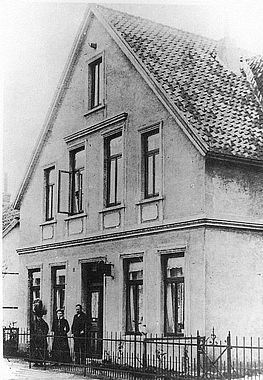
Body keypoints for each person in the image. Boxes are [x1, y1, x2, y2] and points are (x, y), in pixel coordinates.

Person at [30, 300, 49, 366]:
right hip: (36, 339)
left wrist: (44, 335)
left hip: (41, 339)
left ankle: (41, 361)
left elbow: (46, 329)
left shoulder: (44, 323)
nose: (39, 318)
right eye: (38, 317)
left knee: (42, 350)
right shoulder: (34, 323)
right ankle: (36, 362)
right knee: (35, 350)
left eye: (40, 317)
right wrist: (33, 336)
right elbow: (32, 330)